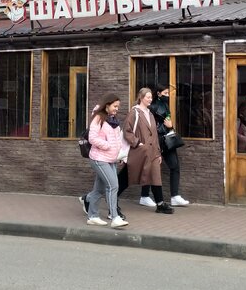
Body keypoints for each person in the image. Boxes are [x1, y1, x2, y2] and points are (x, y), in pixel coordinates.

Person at [78, 93, 128, 228]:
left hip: (110, 159)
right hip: (99, 159)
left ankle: (92, 216)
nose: (117, 109)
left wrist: (120, 155)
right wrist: (108, 146)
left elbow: (118, 140)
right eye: (115, 106)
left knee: (99, 190)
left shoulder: (113, 120)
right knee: (113, 186)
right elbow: (92, 138)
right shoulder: (98, 118)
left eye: (118, 106)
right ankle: (115, 217)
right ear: (107, 105)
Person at [123, 87, 173, 214]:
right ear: (141, 98)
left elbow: (154, 135)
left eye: (151, 97)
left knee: (156, 176)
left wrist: (158, 152)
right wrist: (137, 143)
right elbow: (127, 131)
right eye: (148, 97)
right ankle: (110, 198)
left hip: (153, 153)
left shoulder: (150, 114)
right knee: (126, 177)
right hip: (139, 152)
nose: (150, 99)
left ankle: (160, 204)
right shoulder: (134, 112)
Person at [140, 81, 189, 208]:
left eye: (168, 93)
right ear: (159, 93)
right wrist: (166, 126)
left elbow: (166, 122)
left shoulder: (164, 105)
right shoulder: (154, 107)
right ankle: (144, 196)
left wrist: (170, 126)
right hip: (158, 141)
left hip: (166, 140)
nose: (168, 95)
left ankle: (174, 196)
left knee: (174, 166)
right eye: (165, 93)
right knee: (151, 168)